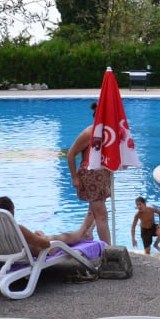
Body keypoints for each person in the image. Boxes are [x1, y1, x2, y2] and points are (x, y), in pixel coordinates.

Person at [66, 102, 111, 244]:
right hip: (91, 176)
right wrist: (74, 177)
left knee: (94, 211)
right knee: (102, 215)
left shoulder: (109, 133)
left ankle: (85, 233)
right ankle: (109, 251)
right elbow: (71, 154)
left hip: (103, 175)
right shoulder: (89, 133)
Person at [0, 196, 96, 255]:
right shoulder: (18, 229)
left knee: (49, 237)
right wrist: (41, 236)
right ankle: (84, 230)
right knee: (62, 237)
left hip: (7, 253)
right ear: (12, 211)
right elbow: (45, 245)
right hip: (41, 251)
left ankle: (86, 234)